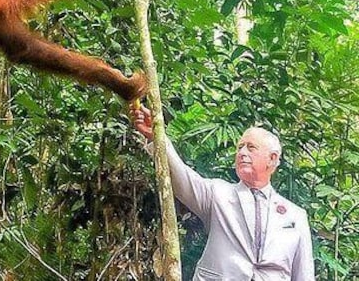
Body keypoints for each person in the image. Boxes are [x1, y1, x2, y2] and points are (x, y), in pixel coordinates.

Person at [131, 105, 315, 281]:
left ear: (272, 159)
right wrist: (157, 137)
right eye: (239, 147)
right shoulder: (218, 193)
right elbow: (182, 178)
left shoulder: (295, 215)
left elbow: (304, 275)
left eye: (251, 147)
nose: (242, 152)